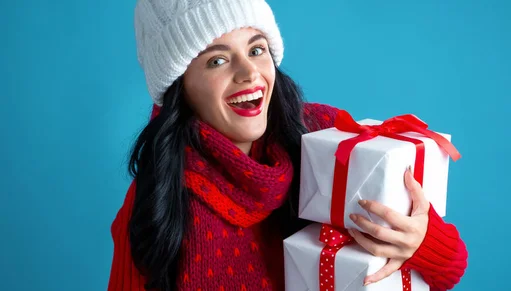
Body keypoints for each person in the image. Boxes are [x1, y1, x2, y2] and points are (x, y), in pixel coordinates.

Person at [107, 0, 468, 290]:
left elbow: (451, 269)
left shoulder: (327, 138)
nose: (248, 73)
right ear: (179, 87)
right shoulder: (159, 194)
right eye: (217, 60)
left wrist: (421, 241)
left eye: (257, 49)